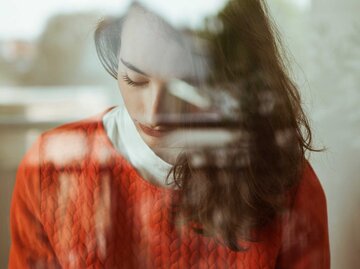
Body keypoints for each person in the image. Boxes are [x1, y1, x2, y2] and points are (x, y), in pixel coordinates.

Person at [9, 1, 330, 268]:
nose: (152, 113)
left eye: (184, 87)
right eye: (135, 79)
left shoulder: (285, 181)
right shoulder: (52, 167)